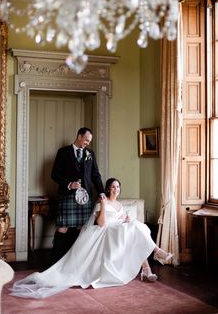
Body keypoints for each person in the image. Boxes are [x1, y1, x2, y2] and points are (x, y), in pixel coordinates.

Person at [10, 178, 173, 299]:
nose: (115, 189)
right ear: (108, 189)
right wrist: (103, 206)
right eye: (113, 187)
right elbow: (101, 223)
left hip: (118, 228)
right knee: (138, 228)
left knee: (137, 227)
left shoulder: (120, 206)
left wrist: (127, 219)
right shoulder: (102, 203)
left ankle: (148, 266)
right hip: (106, 231)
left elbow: (122, 218)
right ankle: (154, 256)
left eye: (118, 187)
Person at [50, 127, 105, 264]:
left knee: (82, 228)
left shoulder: (90, 154)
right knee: (62, 228)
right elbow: (55, 174)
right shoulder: (63, 152)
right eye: (86, 140)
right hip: (67, 195)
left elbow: (95, 175)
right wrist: (69, 184)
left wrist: (102, 192)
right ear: (79, 136)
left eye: (89, 141)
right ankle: (55, 262)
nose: (88, 143)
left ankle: (76, 262)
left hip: (85, 197)